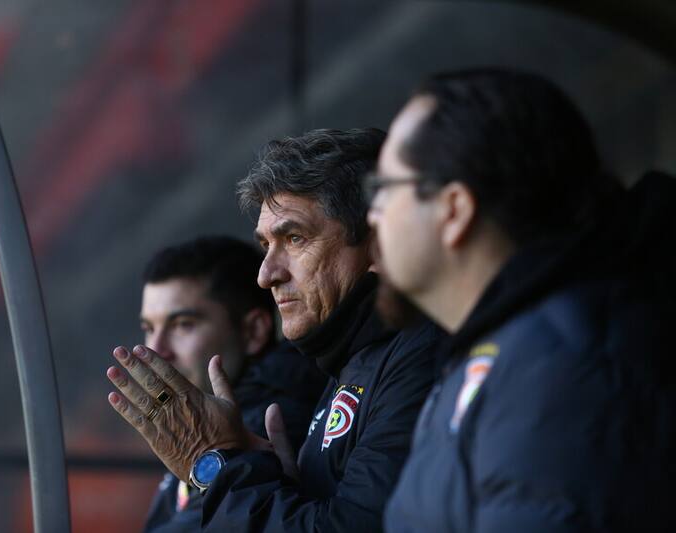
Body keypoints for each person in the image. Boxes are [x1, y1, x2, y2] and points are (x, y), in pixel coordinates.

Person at [366, 68, 675, 532]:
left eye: (384, 189)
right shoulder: (505, 354)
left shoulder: (560, 371)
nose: (372, 215)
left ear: (454, 210)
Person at [106, 128, 443, 531]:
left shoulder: (420, 354)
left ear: (377, 243)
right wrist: (273, 480)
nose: (266, 274)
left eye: (295, 238)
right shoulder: (348, 361)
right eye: (266, 245)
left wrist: (215, 464)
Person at [137, 236, 326, 532]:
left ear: (253, 331)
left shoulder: (268, 424)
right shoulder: (197, 422)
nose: (157, 349)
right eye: (149, 328)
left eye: (183, 324)